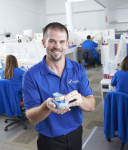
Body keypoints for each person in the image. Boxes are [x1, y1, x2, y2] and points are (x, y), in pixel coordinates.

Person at [22, 22, 95, 150]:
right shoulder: (31, 75)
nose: (57, 46)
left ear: (67, 44)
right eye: (52, 41)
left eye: (62, 42)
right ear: (44, 43)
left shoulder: (78, 69)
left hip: (76, 133)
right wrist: (46, 106)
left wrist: (81, 99)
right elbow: (32, 118)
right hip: (49, 139)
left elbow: (92, 105)